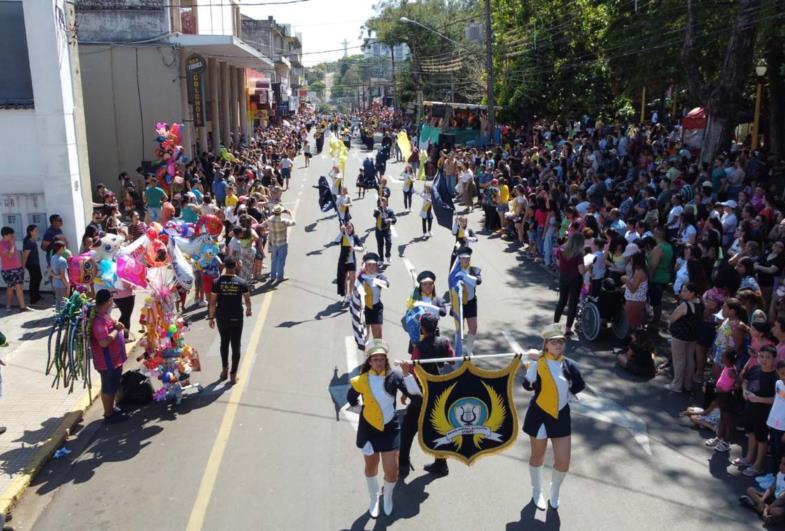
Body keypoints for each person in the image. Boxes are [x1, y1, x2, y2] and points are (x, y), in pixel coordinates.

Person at [522, 324, 585, 511]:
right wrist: (532, 368)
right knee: (538, 455)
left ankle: (554, 490)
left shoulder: (569, 365)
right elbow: (527, 386)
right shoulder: (538, 363)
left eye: (561, 342)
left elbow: (579, 385)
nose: (558, 345)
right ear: (546, 345)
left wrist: (565, 396)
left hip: (561, 415)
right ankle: (536, 491)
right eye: (554, 342)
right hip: (539, 415)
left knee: (563, 461)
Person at [346, 339, 411, 518]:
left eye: (382, 359)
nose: (379, 362)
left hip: (390, 429)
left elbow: (414, 393)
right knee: (371, 467)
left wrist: (407, 374)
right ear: (369, 361)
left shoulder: (395, 376)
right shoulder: (361, 380)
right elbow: (351, 399)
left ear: (386, 360)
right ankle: (374, 498)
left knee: (392, 470)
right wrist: (364, 411)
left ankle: (387, 498)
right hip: (369, 431)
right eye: (375, 359)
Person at [398, 313, 454, 479]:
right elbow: (451, 360)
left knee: (407, 430)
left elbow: (414, 373)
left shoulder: (418, 347)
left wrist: (404, 393)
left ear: (422, 328)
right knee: (438, 429)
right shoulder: (445, 342)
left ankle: (403, 464)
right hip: (440, 393)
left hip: (423, 395)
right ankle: (441, 464)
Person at [208, 257, 252, 385]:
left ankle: (224, 371)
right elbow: (247, 300)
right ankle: (233, 374)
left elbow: (212, 302)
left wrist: (211, 317)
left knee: (224, 343)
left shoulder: (217, 282)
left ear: (224, 266)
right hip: (237, 317)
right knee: (236, 345)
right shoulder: (242, 282)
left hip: (222, 317)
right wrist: (248, 310)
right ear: (236, 266)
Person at [88, 289, 128, 423]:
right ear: (108, 301)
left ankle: (112, 408)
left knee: (113, 384)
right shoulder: (98, 322)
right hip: (107, 361)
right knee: (108, 387)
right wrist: (117, 330)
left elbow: (112, 324)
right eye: (112, 299)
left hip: (114, 359)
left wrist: (117, 324)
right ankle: (108, 414)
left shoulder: (104, 314)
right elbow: (104, 342)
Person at [667, 282, 703, 392]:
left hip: (680, 336)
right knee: (690, 359)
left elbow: (672, 318)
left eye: (685, 291)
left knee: (679, 360)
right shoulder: (700, 303)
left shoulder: (685, 306)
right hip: (692, 335)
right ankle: (688, 384)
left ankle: (677, 385)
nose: (682, 293)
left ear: (692, 293)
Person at [450, 246, 482, 354]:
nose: (466, 260)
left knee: (473, 328)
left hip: (471, 302)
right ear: (459, 258)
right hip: (458, 303)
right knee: (459, 329)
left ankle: (469, 350)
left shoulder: (474, 270)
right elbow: (452, 286)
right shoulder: (454, 271)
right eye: (463, 258)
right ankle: (457, 352)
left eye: (468, 258)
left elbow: (477, 282)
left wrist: (464, 275)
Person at [553, 232, 586, 335]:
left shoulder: (561, 249)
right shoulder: (578, 253)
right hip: (575, 279)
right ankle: (568, 329)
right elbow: (581, 270)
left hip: (563, 277)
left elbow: (558, 263)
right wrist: (588, 267)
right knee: (572, 303)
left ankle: (555, 325)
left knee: (562, 301)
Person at [358, 252, 389, 339]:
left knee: (378, 336)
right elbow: (355, 291)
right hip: (363, 309)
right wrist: (362, 276)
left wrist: (372, 279)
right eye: (369, 265)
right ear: (365, 266)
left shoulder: (380, 277)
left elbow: (387, 284)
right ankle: (367, 351)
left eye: (373, 265)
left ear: (376, 266)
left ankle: (377, 351)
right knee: (364, 336)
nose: (371, 267)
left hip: (376, 308)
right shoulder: (361, 277)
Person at [263, 204, 296, 282]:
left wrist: (269, 229)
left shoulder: (270, 219)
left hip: (274, 242)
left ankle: (273, 276)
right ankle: (280, 277)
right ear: (281, 212)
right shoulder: (283, 220)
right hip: (282, 243)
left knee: (274, 259)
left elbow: (263, 225)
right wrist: (291, 214)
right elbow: (294, 222)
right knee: (281, 260)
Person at [334, 222, 363, 302]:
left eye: (350, 227)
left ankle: (350, 294)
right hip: (343, 261)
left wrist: (354, 248)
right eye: (347, 228)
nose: (349, 229)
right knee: (344, 278)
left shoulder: (355, 237)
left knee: (352, 278)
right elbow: (336, 241)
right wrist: (341, 231)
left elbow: (361, 248)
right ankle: (346, 294)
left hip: (351, 261)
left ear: (352, 228)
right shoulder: (343, 237)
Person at [0, 227, 27, 312]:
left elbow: (16, 255)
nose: (13, 237)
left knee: (15, 287)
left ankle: (16, 306)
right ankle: (16, 306)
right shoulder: (2, 244)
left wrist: (21, 266)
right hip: (9, 270)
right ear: (5, 235)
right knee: (14, 287)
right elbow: (9, 255)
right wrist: (12, 244)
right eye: (11, 235)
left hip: (17, 268)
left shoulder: (11, 242)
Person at [22, 225, 42, 306]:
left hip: (35, 263)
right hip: (31, 264)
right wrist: (22, 267)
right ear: (31, 232)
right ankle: (33, 299)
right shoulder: (29, 242)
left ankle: (36, 295)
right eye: (35, 230)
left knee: (38, 278)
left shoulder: (32, 240)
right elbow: (25, 255)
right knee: (34, 280)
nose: (37, 232)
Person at [372, 197, 396, 266]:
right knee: (380, 245)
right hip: (379, 230)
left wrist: (389, 220)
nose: (383, 203)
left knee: (389, 243)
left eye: (384, 201)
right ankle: (381, 259)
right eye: (381, 202)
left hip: (386, 230)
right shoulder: (377, 210)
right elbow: (374, 215)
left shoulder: (390, 211)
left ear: (387, 202)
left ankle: (388, 255)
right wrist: (377, 210)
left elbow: (394, 219)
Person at [49, 241, 70, 312]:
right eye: (64, 247)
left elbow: (51, 271)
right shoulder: (62, 260)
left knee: (58, 300)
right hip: (62, 285)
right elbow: (62, 276)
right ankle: (62, 317)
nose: (65, 249)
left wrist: (54, 276)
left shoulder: (53, 257)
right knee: (64, 302)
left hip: (55, 284)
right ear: (61, 248)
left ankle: (57, 316)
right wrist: (67, 285)